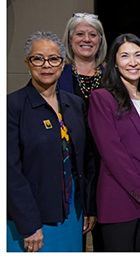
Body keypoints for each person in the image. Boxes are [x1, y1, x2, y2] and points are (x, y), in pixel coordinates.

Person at [7, 31, 97, 252]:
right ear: (28, 63)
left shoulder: (76, 104)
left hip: (73, 214)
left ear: (62, 64)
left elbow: (86, 160)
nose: (46, 65)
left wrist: (89, 207)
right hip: (31, 219)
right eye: (38, 58)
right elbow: (9, 172)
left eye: (53, 59)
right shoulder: (12, 106)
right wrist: (29, 225)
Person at [88, 33, 140, 251]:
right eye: (125, 56)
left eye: (138, 55)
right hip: (121, 201)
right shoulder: (102, 98)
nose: (133, 62)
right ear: (114, 62)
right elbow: (113, 154)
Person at [58, 12, 108, 251]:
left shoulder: (114, 76)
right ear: (69, 39)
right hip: (70, 164)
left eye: (92, 34)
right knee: (74, 233)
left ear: (100, 39)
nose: (86, 39)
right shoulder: (57, 75)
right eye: (80, 34)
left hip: (107, 163)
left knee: (107, 236)